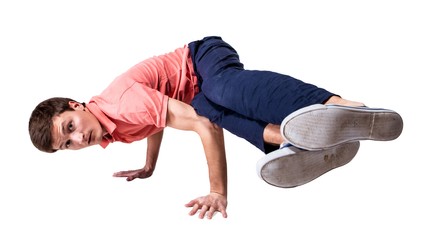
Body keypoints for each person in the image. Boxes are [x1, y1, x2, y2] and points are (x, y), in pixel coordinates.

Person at [28, 36, 403, 219]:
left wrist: (217, 192)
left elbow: (200, 127)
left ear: (75, 105)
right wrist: (149, 166)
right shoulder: (109, 128)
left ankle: (340, 107)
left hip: (203, 57)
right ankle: (306, 141)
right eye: (68, 144)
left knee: (222, 92)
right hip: (194, 94)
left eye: (70, 126)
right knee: (217, 108)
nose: (79, 138)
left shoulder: (119, 101)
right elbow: (154, 122)